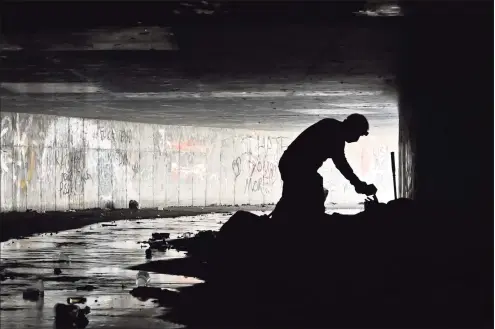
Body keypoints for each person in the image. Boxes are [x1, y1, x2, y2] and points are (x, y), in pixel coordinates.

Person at [271, 113, 377, 220]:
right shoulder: (335, 133)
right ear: (353, 128)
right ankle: (313, 222)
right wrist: (358, 184)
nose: (357, 138)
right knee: (311, 192)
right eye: (358, 134)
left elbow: (341, 163)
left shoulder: (331, 125)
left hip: (291, 164)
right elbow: (342, 164)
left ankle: (283, 221)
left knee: (293, 196)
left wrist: (357, 184)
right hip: (296, 167)